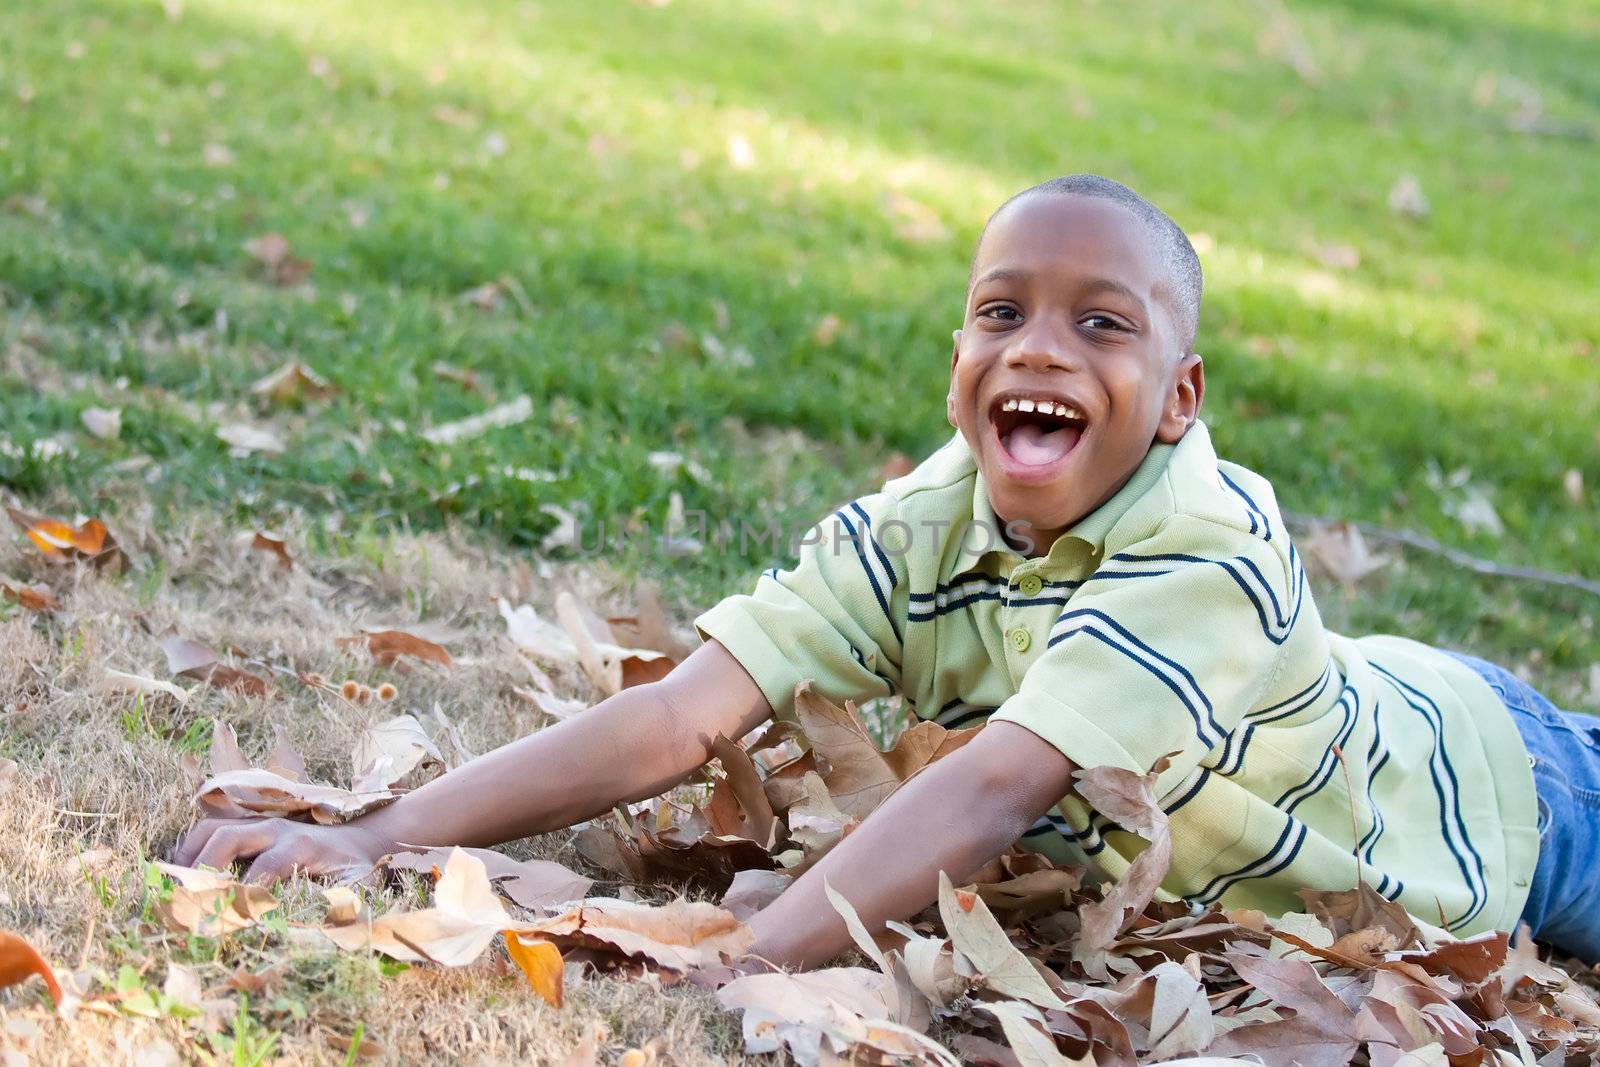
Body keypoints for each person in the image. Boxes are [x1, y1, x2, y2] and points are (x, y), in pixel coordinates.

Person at [174, 175, 1600, 968]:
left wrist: (747, 959)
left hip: (1505, 802)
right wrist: (383, 835)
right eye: (1001, 311)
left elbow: (994, 788)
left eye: (1102, 324)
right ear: (961, 357)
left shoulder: (1207, 549)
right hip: (1396, 729)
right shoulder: (923, 525)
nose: (1039, 346)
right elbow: (683, 718)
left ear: (1179, 397)